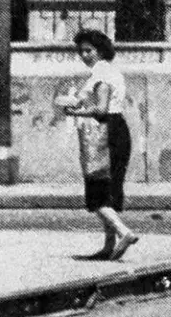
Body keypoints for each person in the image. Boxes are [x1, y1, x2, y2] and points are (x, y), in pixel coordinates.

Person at [57, 29, 139, 261]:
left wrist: (74, 112)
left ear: (100, 51)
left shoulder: (100, 76)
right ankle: (108, 247)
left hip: (104, 132)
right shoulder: (112, 72)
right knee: (110, 189)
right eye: (81, 51)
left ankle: (124, 232)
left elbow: (101, 110)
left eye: (89, 51)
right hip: (118, 129)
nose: (84, 55)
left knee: (96, 191)